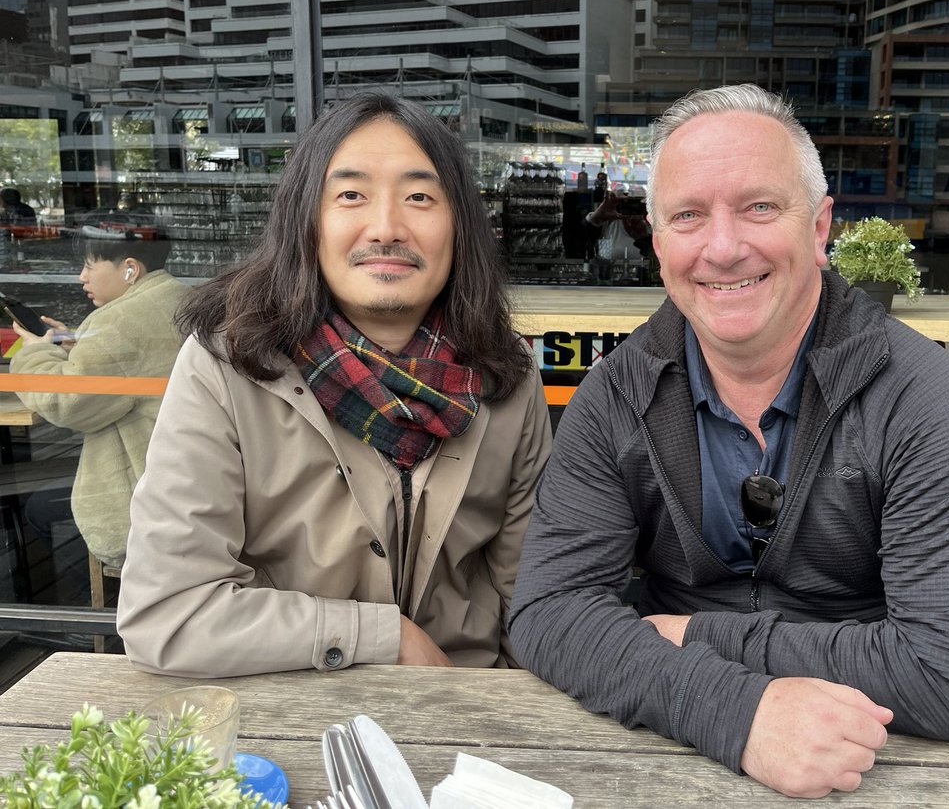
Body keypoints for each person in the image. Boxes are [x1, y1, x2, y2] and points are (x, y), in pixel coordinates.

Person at [508, 84, 949, 798]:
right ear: (658, 245)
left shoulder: (918, 397)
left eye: (759, 207)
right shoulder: (615, 395)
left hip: (875, 757)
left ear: (818, 228)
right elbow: (547, 613)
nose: (722, 247)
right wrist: (737, 713)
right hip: (659, 750)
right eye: (688, 216)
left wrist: (693, 636)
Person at [117, 92, 552, 677]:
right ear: (307, 222)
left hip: (469, 703)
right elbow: (169, 613)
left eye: (420, 197)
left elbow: (537, 598)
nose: (387, 228)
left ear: (460, 227)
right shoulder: (227, 366)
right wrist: (383, 637)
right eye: (350, 195)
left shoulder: (508, 379)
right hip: (293, 705)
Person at [11, 234, 189, 568]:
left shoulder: (120, 322)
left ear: (130, 269)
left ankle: (106, 612)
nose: (82, 276)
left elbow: (63, 401)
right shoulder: (177, 296)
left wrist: (34, 354)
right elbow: (124, 362)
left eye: (90, 265)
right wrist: (78, 347)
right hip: (184, 477)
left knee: (34, 510)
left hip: (141, 497)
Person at [585, 192, 651, 283]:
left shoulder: (653, 228)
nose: (632, 216)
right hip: (609, 286)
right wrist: (597, 216)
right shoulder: (612, 225)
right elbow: (584, 241)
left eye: (637, 210)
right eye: (627, 209)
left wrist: (645, 238)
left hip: (646, 287)